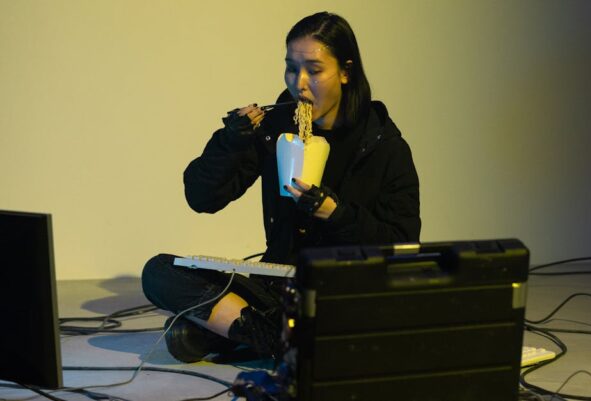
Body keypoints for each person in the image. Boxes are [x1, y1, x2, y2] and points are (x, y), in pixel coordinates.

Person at [141, 11, 420, 363]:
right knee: (160, 273)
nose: (298, 83)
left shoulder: (384, 146)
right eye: (291, 68)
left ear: (345, 72)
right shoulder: (276, 129)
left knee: (188, 336)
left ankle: (227, 332)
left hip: (344, 293)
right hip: (278, 284)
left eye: (314, 71)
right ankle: (279, 340)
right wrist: (230, 142)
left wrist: (336, 214)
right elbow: (202, 198)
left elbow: (403, 245)